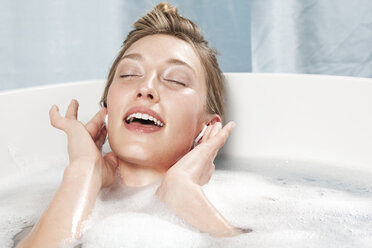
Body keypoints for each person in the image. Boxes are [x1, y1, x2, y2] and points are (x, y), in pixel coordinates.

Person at [17, 2, 250, 247]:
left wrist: (186, 196)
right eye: (129, 74)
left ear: (207, 127)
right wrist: (83, 171)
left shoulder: (245, 207)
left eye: (175, 80)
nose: (146, 88)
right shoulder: (49, 206)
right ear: (107, 107)